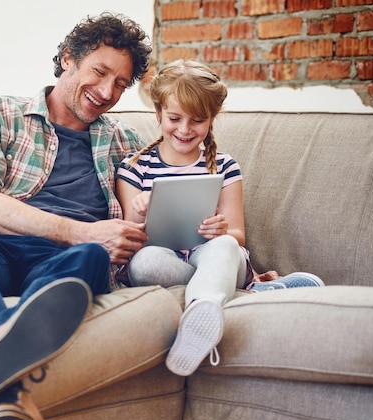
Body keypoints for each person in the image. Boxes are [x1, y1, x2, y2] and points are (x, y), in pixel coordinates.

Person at [0, 12, 152, 420]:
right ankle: (7, 364)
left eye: (121, 84)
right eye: (100, 72)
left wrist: (235, 262)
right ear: (68, 59)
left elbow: (160, 221)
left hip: (64, 262)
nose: (108, 93)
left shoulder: (125, 141)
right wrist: (80, 230)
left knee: (91, 258)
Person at [116, 59, 323, 377]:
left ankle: (203, 311)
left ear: (211, 119)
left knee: (224, 247)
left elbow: (237, 234)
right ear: (158, 114)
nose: (184, 130)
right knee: (143, 263)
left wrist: (221, 229)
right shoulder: (133, 168)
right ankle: (249, 293)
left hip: (217, 256)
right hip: (165, 260)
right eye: (174, 118)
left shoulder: (225, 166)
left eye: (197, 120)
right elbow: (131, 238)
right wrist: (141, 208)